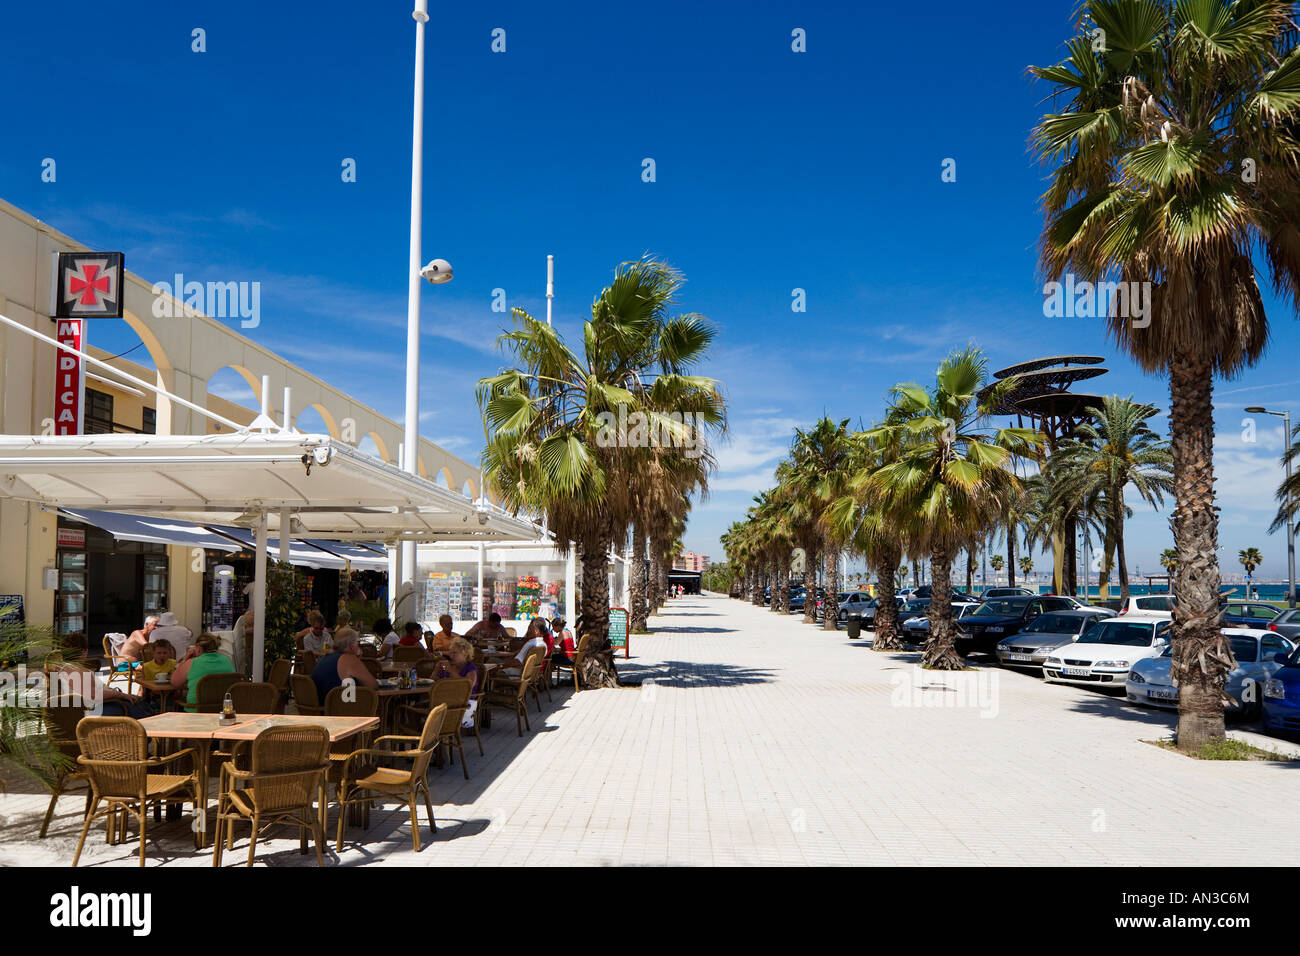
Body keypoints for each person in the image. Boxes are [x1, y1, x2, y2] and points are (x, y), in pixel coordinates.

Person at [170, 634, 235, 712]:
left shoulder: (192, 663)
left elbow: (174, 682)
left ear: (198, 648)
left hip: (197, 709)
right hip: (222, 709)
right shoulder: (226, 660)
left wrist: (185, 659)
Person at [311, 631, 378, 702]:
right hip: (338, 708)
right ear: (352, 645)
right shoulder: (349, 659)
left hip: (319, 707)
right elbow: (373, 685)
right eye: (357, 643)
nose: (359, 646)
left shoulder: (325, 658)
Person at [433, 637, 479, 728]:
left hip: (461, 702)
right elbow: (433, 682)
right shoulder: (449, 666)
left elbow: (468, 686)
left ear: (465, 654)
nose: (451, 656)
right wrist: (436, 670)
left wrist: (451, 671)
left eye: (455, 653)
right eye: (450, 652)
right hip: (444, 698)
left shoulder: (471, 669)